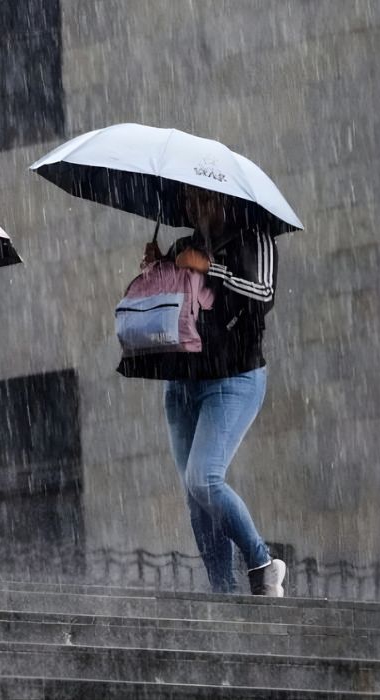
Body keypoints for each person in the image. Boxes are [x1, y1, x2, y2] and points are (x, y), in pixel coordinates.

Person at [121, 185, 286, 596]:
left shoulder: (255, 239)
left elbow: (262, 294)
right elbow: (172, 308)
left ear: (225, 199)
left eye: (205, 198)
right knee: (196, 496)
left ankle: (262, 562)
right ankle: (222, 591)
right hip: (183, 384)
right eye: (191, 200)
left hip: (235, 380)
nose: (197, 207)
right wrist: (159, 267)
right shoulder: (183, 243)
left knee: (204, 479)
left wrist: (211, 269)